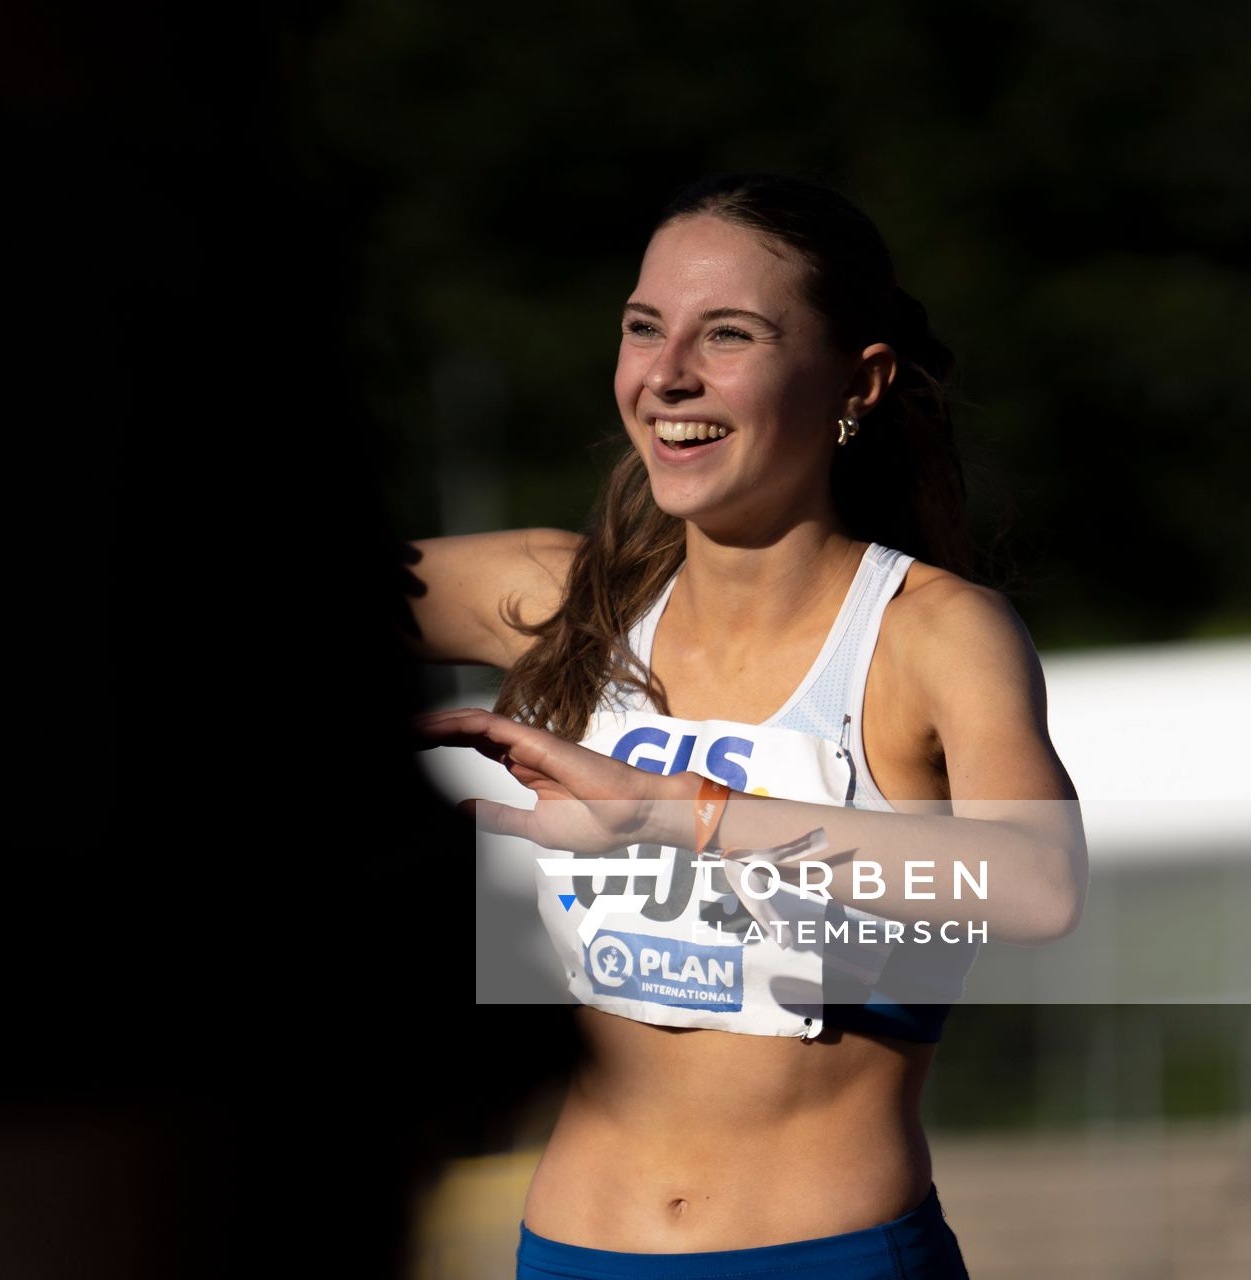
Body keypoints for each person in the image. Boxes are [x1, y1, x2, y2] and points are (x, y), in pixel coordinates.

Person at [403, 173, 1087, 1279]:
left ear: (854, 382)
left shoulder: (930, 633)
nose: (668, 372)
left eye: (729, 334)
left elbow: (1038, 886)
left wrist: (683, 812)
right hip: (574, 1250)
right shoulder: (560, 595)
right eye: (643, 327)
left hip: (833, 1253)